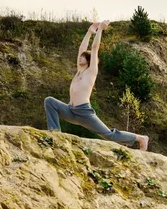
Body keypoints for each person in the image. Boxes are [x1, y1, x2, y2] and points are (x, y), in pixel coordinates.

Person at [44, 21, 149, 150]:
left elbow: (94, 48)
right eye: (80, 57)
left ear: (89, 61)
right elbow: (81, 49)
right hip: (71, 111)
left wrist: (100, 30)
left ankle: (140, 138)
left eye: (83, 57)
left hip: (84, 112)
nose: (80, 58)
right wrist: (89, 32)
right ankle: (55, 133)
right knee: (49, 101)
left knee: (109, 135)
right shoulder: (79, 72)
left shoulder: (91, 71)